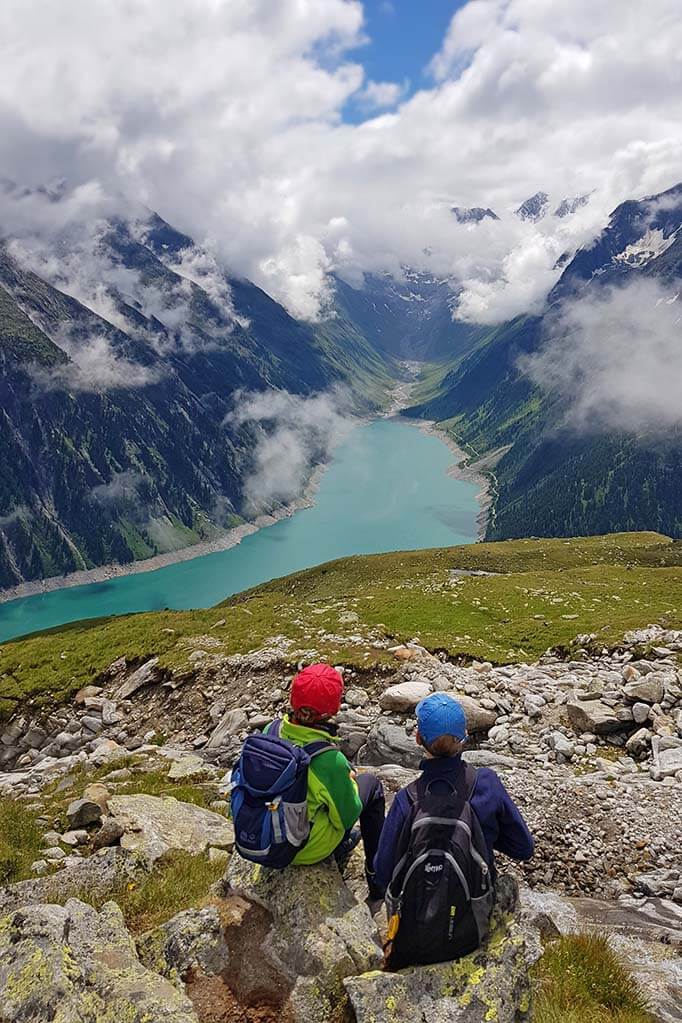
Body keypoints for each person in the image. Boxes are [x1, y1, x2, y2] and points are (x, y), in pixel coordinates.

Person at [374, 692, 533, 968]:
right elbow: (524, 848)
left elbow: (383, 873)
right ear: (465, 737)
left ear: (418, 739)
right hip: (469, 933)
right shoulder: (487, 784)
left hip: (412, 939)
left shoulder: (407, 799)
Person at [266, 662, 386, 900]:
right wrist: (350, 782)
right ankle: (375, 878)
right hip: (302, 850)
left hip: (265, 831)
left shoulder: (272, 729)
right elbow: (348, 814)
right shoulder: (327, 760)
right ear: (331, 710)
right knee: (371, 786)